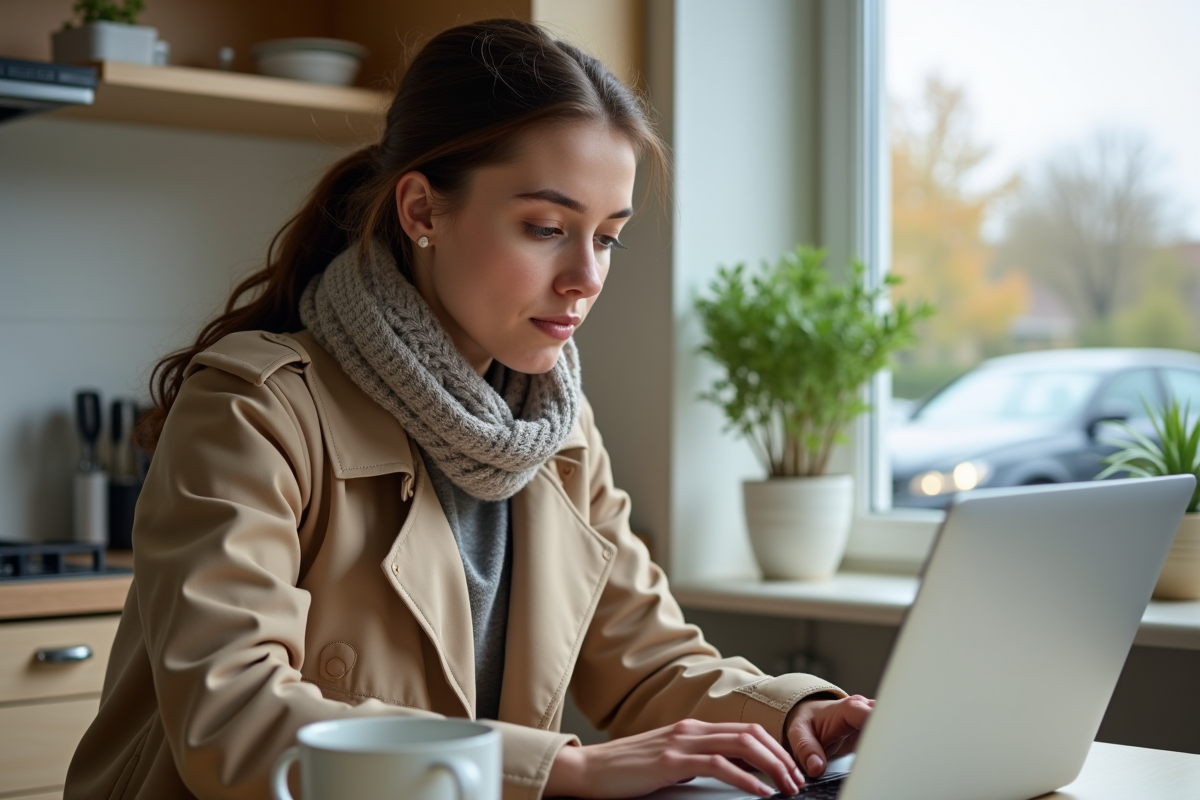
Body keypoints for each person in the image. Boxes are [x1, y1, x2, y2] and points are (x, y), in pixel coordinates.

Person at [64, 19, 872, 800]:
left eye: (608, 237)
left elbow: (647, 663)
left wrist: (797, 714)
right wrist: (566, 768)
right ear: (422, 212)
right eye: (547, 227)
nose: (585, 277)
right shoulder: (255, 410)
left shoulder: (557, 429)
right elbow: (236, 722)